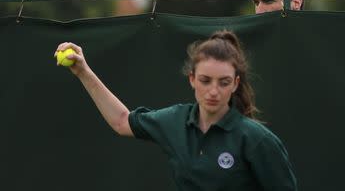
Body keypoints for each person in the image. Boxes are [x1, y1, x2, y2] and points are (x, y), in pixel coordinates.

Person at [54, 30, 299, 191]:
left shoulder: (258, 140)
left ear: (235, 84)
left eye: (223, 82)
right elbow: (121, 121)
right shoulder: (174, 121)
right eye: (205, 80)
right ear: (192, 79)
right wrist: (83, 72)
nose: (213, 91)